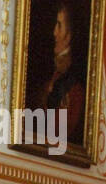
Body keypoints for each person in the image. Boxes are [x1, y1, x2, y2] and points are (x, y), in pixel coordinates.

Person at [36, 3, 85, 147]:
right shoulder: (54, 75)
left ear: (69, 36)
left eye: (59, 25)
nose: (54, 32)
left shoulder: (74, 88)